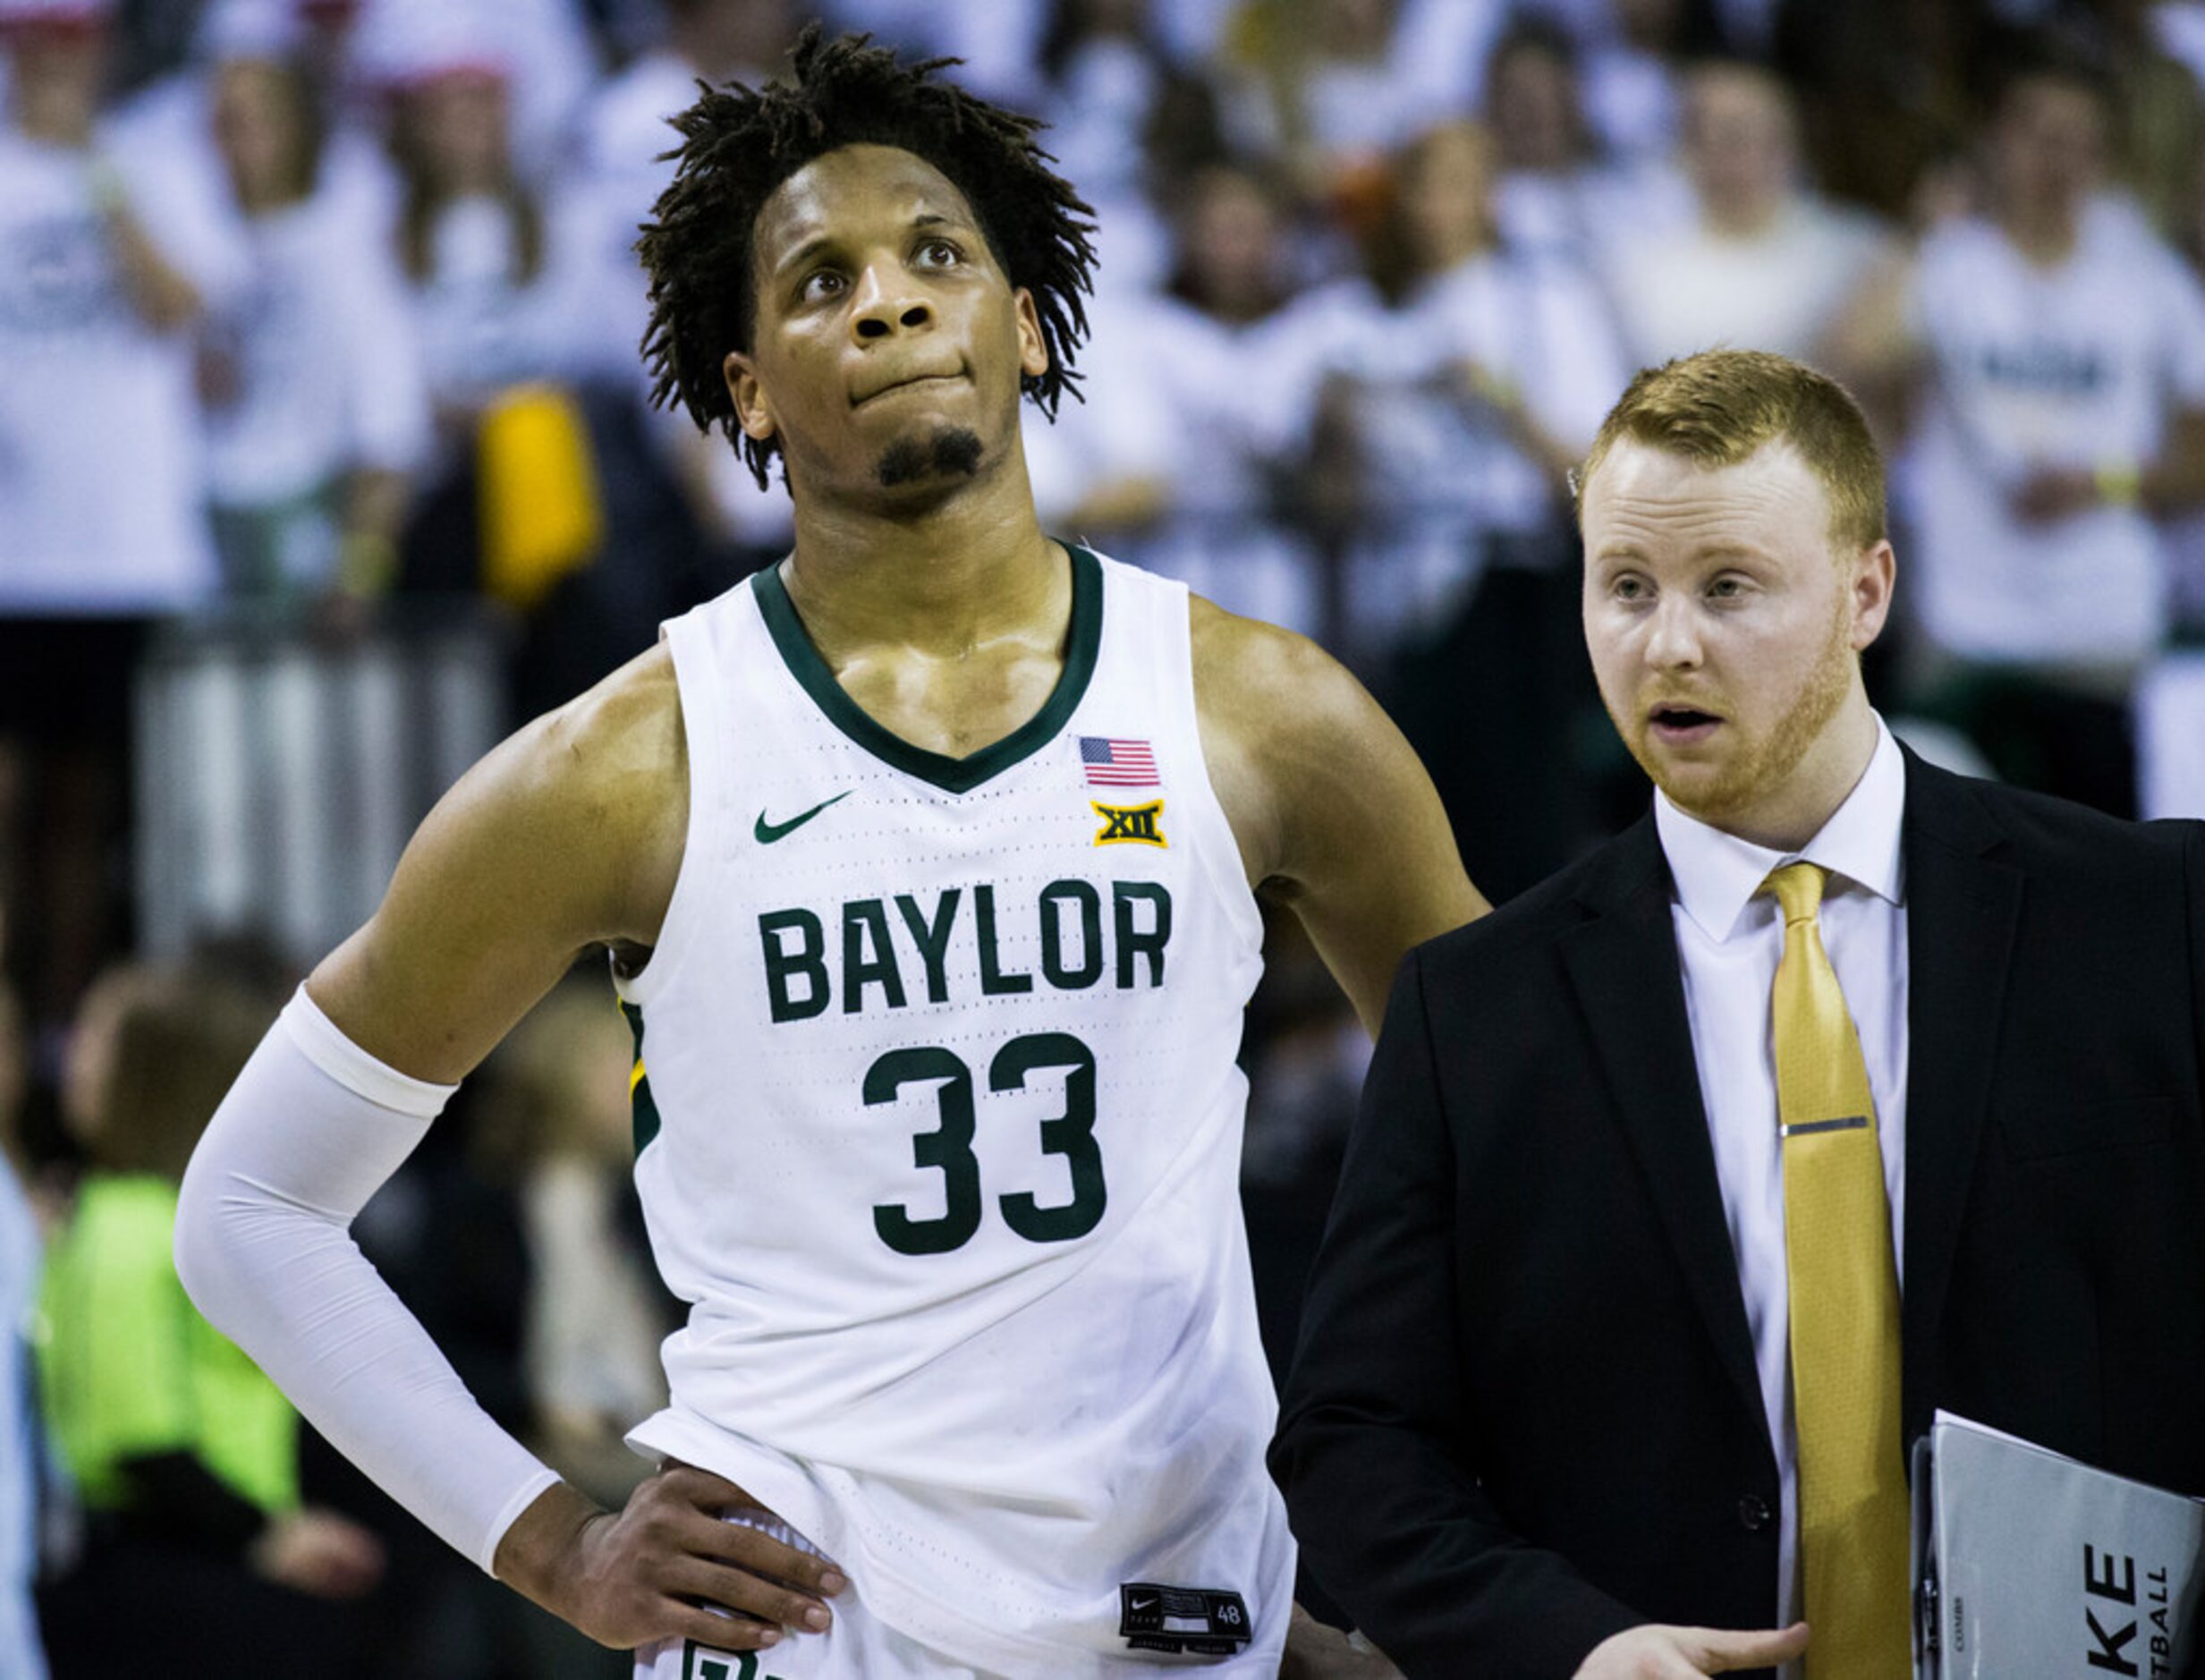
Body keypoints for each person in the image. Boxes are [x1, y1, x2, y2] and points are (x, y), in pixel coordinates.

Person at [175, 27, 1480, 1678]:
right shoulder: (622, 763)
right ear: (748, 393)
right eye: (818, 280)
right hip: (807, 1637)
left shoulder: (1266, 713)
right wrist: (554, 1541)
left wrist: (1462, 1590)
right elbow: (248, 1205)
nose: (886, 299)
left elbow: (1513, 1158)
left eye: (936, 252)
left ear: (1023, 323)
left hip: (1182, 1628)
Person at [1269, 348, 2205, 1677]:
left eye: (1727, 587)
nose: (1667, 643)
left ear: (1865, 590)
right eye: (1626, 587)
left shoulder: (2146, 916)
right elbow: (1351, 1440)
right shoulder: (1476, 1005)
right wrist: (1572, 1646)